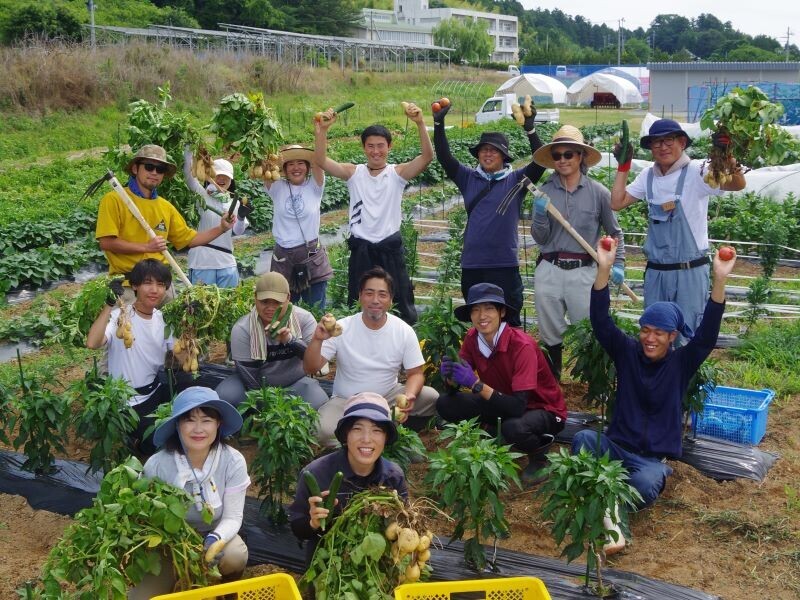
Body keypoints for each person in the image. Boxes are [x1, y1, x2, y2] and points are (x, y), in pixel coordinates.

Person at [572, 238, 736, 554]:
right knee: (583, 441)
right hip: (615, 447)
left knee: (646, 483)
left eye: (659, 333)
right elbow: (601, 323)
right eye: (645, 330)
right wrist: (603, 270)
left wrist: (719, 280)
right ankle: (610, 508)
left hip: (648, 459)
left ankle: (608, 511)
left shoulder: (681, 363)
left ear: (672, 336)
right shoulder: (626, 352)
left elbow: (706, 337)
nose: (649, 338)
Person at [611, 119, 745, 335]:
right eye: (656, 143)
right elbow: (616, 203)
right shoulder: (647, 176)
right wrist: (623, 166)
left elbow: (737, 184)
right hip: (657, 272)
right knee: (655, 334)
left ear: (682, 142)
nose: (663, 147)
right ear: (650, 148)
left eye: (669, 140)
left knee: (687, 334)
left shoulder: (697, 171)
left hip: (689, 270)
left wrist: (727, 155)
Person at [313, 104, 433, 324]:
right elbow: (320, 161)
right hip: (362, 249)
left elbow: (427, 157)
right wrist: (322, 131)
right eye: (370, 146)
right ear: (364, 148)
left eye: (380, 146)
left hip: (389, 249)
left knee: (399, 301)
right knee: (359, 302)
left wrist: (420, 123)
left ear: (389, 146)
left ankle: (400, 346)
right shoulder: (353, 173)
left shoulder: (397, 174)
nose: (375, 151)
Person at [437, 283, 566, 485]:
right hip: (500, 400)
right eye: (476, 310)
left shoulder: (521, 345)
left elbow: (518, 406)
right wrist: (450, 377)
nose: (482, 316)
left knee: (513, 427)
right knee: (445, 403)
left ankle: (540, 458)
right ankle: (494, 432)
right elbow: (455, 386)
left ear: (502, 312)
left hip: (542, 409)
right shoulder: (472, 338)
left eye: (489, 308)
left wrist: (475, 383)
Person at [432, 99, 546, 327]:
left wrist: (530, 129)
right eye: (484, 150)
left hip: (504, 264)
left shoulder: (516, 181)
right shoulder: (468, 178)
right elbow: (445, 158)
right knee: (479, 321)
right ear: (478, 155)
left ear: (504, 156)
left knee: (509, 321)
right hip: (473, 265)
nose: (488, 154)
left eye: (494, 151)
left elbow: (540, 163)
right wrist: (438, 124)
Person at [129, 386, 251, 598]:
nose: (198, 429)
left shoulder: (232, 461)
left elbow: (233, 516)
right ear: (177, 425)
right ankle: (178, 577)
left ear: (218, 424)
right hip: (170, 544)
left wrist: (215, 539)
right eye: (189, 420)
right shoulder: (158, 464)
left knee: (234, 556)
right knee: (141, 596)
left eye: (206, 420)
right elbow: (144, 515)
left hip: (213, 532)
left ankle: (226, 589)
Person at [303, 267, 438, 447]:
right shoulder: (342, 328)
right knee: (322, 430)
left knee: (430, 396)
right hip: (347, 400)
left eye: (382, 294)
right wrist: (317, 340)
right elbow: (311, 368)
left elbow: (416, 373)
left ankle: (388, 431)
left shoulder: (403, 330)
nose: (375, 300)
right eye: (369, 293)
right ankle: (377, 432)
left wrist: (410, 396)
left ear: (390, 300)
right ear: (360, 296)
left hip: (387, 397)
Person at [530, 125, 626, 380]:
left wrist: (620, 265)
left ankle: (592, 383)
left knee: (588, 328)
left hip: (584, 271)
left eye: (568, 154)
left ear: (581, 156)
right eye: (557, 155)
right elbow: (540, 237)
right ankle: (553, 385)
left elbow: (615, 232)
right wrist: (540, 213)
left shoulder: (598, 193)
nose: (562, 160)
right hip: (549, 268)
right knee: (550, 333)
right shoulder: (544, 192)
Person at [95, 144, 235, 303]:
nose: (154, 172)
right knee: (126, 328)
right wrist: (147, 247)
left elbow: (190, 239)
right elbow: (106, 242)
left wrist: (222, 228)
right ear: (135, 169)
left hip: (163, 288)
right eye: (149, 167)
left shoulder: (165, 207)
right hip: (129, 287)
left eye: (160, 169)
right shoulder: (114, 200)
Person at [288, 392, 407, 566]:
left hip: (375, 562)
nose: (366, 439)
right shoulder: (317, 473)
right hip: (328, 563)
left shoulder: (393, 477)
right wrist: (312, 523)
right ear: (345, 435)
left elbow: (403, 525)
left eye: (376, 430)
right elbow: (297, 528)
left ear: (385, 437)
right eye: (357, 429)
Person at [86, 258, 174, 455]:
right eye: (148, 283)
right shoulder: (120, 316)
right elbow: (92, 343)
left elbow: (183, 359)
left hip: (155, 391)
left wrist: (189, 324)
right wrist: (109, 304)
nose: (155, 290)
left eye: (161, 285)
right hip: (129, 401)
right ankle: (130, 439)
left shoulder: (164, 320)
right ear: (134, 286)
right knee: (158, 444)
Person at [215, 272, 329, 410]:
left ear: (288, 298)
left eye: (277, 302)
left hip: (295, 382)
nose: (270, 308)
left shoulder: (304, 319)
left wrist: (290, 340)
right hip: (254, 385)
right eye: (264, 302)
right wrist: (268, 406)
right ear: (255, 297)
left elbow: (312, 363)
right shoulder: (242, 329)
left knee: (319, 400)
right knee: (225, 395)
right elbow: (250, 379)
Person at [264, 144, 333, 309]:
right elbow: (264, 166)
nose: (296, 168)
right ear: (284, 168)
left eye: (301, 163)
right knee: (282, 311)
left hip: (311, 256)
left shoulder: (315, 186)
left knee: (316, 310)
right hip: (283, 259)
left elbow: (319, 159)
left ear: (308, 166)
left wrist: (320, 132)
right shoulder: (276, 187)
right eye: (290, 164)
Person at [183, 148, 250, 287]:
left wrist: (242, 217)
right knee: (203, 305)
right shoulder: (201, 195)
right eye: (217, 175)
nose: (221, 179)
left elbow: (238, 231)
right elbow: (189, 176)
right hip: (202, 262)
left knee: (229, 305)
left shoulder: (234, 202)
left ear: (231, 180)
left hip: (226, 262)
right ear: (210, 177)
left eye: (226, 177)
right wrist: (189, 149)